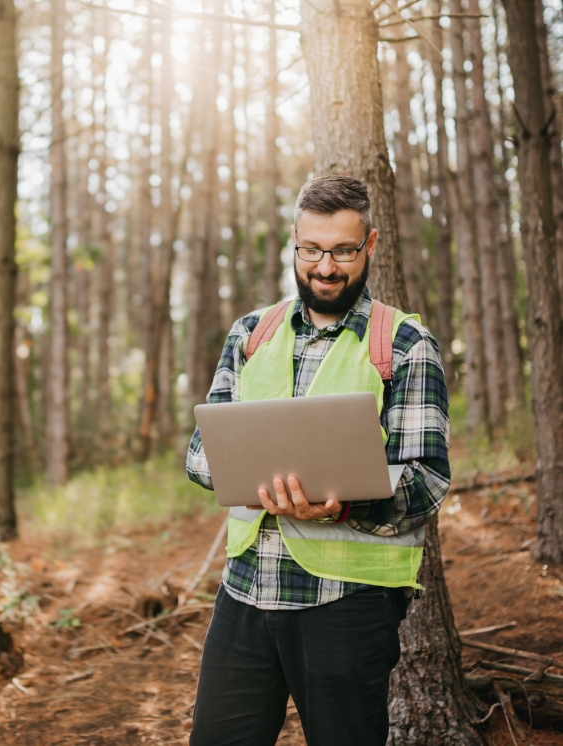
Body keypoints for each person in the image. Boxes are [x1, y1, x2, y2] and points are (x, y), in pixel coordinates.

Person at [186, 175, 450, 746]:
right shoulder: (251, 334)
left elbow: (426, 480)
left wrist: (345, 502)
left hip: (347, 606)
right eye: (311, 250)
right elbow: (200, 454)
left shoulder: (404, 344)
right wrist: (249, 475)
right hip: (245, 592)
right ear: (294, 242)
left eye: (343, 251)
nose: (325, 267)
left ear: (371, 246)